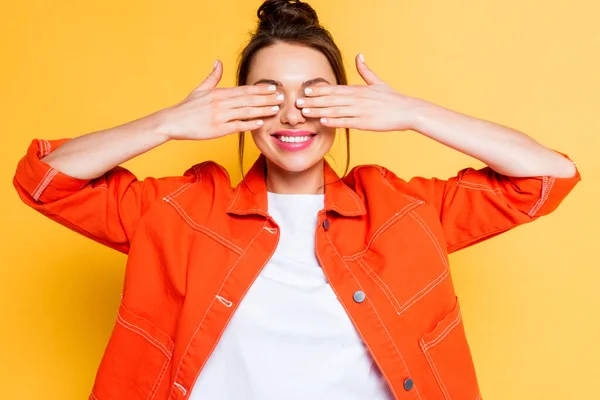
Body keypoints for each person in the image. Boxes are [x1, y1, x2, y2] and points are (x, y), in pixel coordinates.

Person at [13, 0, 581, 399]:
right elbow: (44, 180)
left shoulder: (403, 211)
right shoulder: (180, 211)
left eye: (315, 94)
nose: (292, 113)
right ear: (237, 109)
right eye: (268, 94)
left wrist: (416, 114)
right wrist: (167, 124)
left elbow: (548, 176)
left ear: (346, 106)